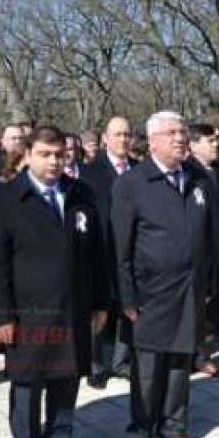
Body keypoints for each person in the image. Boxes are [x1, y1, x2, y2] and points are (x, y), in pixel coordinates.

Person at [0, 125, 110, 438]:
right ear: (28, 155)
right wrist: (1, 315)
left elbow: (97, 254)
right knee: (28, 384)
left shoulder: (79, 193)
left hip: (74, 308)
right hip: (29, 312)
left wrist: (100, 302)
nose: (54, 161)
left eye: (60, 154)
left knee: (67, 380)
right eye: (45, 154)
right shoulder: (9, 197)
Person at [113, 111, 210, 438]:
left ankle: (175, 427)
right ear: (152, 141)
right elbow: (120, 247)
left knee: (180, 364)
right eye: (171, 133)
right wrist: (126, 297)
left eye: (182, 132)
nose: (180, 138)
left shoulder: (198, 179)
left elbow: (209, 234)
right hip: (150, 294)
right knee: (149, 369)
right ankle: (144, 431)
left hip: (189, 290)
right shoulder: (133, 183)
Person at [81, 116, 138, 389]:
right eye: (117, 134)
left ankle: (121, 361)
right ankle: (98, 365)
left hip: (134, 252)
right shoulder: (90, 172)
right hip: (103, 249)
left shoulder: (139, 170)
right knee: (102, 309)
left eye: (127, 134)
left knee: (128, 307)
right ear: (105, 139)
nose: (123, 140)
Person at [185, 123, 219, 378]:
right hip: (196, 255)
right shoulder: (187, 172)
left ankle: (201, 354)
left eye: (217, 140)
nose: (216, 144)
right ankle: (192, 357)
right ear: (193, 145)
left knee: (208, 308)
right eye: (210, 141)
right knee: (194, 310)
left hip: (218, 254)